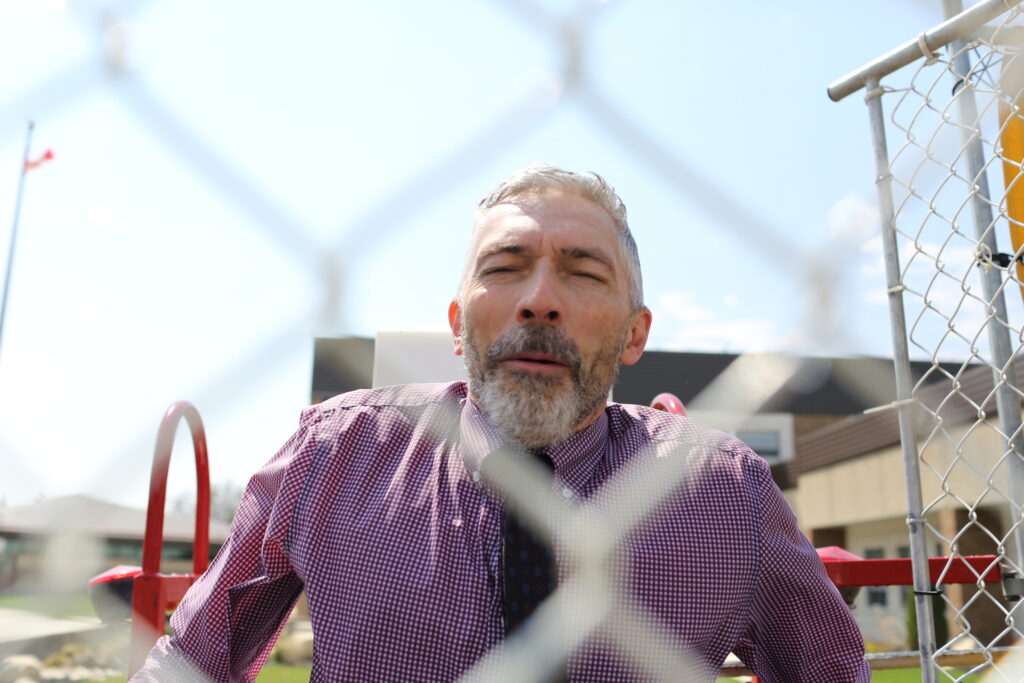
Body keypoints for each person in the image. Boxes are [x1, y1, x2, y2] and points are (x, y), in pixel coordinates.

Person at [132, 164, 870, 682]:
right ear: (459, 325)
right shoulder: (333, 453)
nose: (538, 300)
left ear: (635, 334)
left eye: (583, 272)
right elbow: (191, 660)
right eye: (506, 266)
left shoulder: (726, 492)